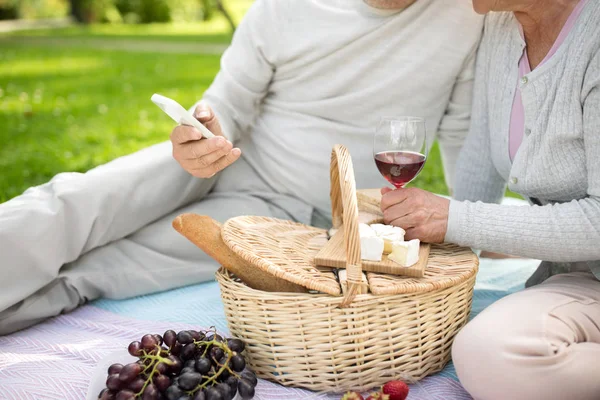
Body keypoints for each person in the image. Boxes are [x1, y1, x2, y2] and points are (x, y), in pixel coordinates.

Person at [0, 0, 483, 335]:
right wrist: (204, 129)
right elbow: (228, 101)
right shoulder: (286, 7)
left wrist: (471, 228)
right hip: (221, 159)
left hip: (289, 217)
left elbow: (462, 135)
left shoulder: (466, 16)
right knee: (78, 201)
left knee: (105, 270)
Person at [379, 0, 600, 399]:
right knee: (482, 348)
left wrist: (453, 218)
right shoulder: (502, 27)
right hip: (581, 279)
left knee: (491, 358)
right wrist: (433, 266)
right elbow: (480, 160)